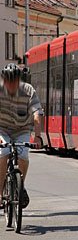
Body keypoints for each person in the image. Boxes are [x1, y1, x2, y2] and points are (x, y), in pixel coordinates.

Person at [0, 64, 44, 209]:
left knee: (23, 155)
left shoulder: (28, 90)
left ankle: (20, 185)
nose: (11, 85)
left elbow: (37, 113)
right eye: (8, 81)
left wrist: (37, 136)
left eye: (14, 81)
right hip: (2, 129)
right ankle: (0, 193)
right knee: (3, 152)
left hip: (22, 129)